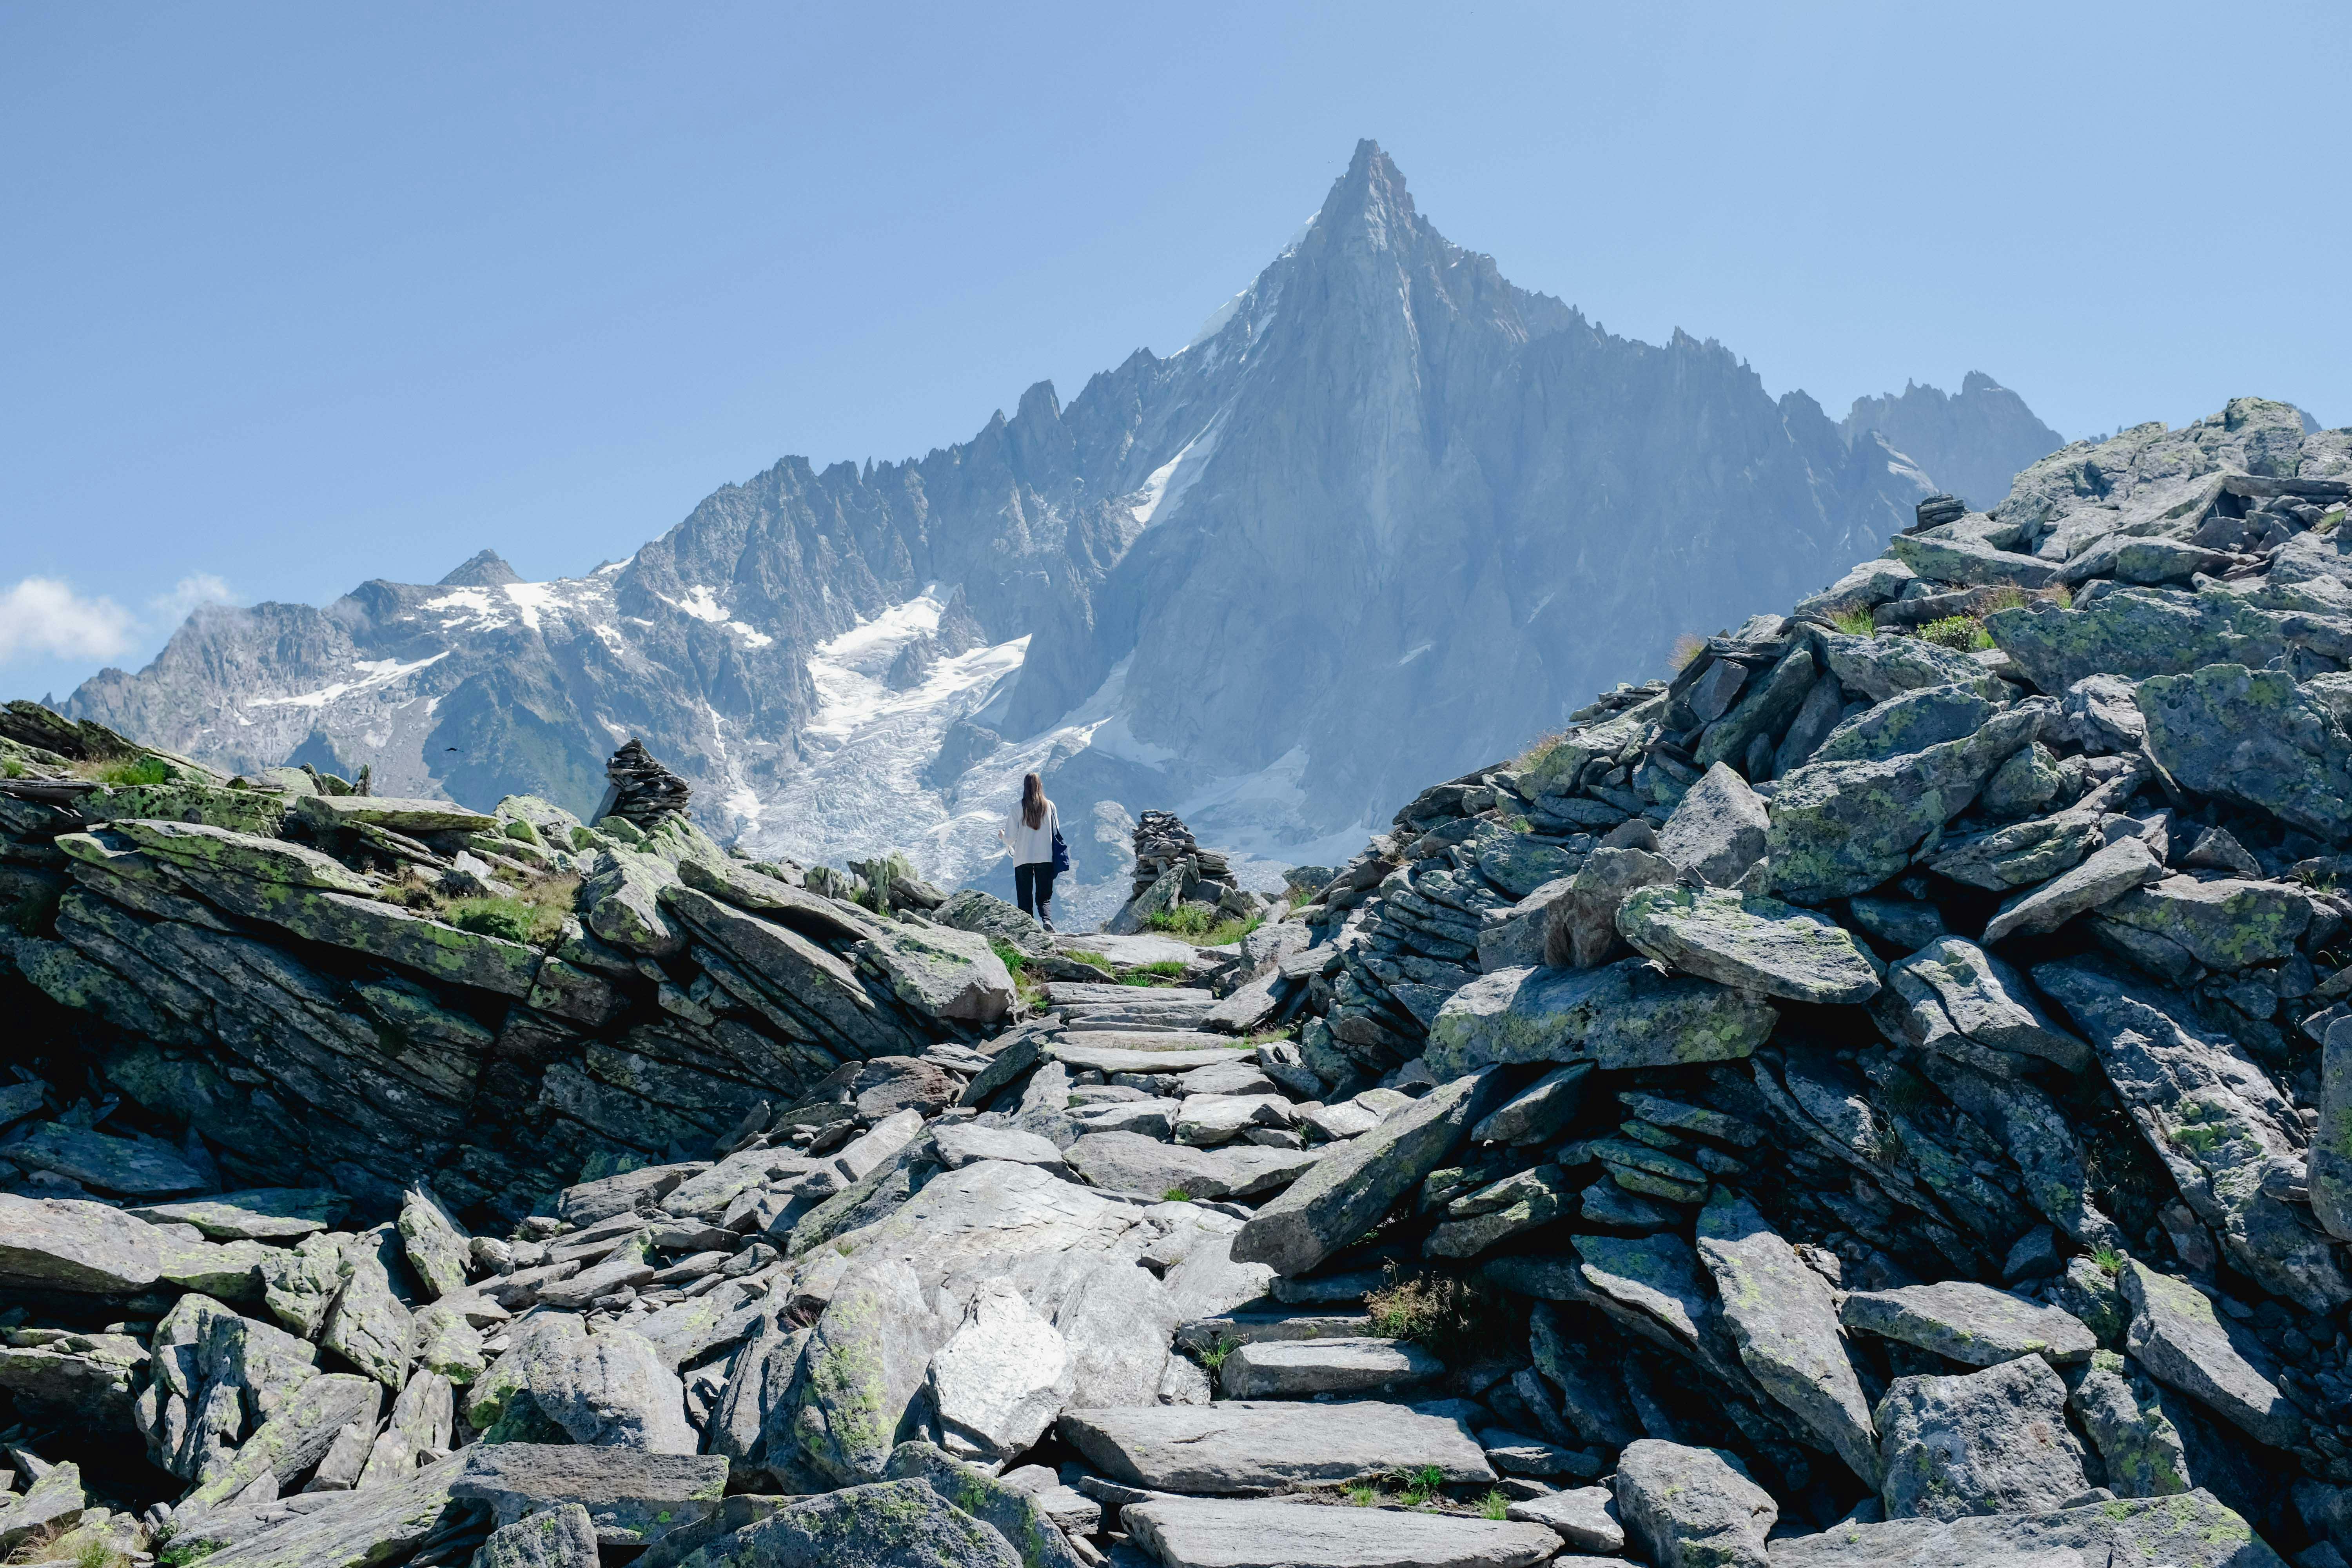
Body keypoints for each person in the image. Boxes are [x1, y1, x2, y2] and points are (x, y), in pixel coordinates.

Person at [1000, 772, 1060, 930]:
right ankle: (1047, 921)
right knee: (1044, 897)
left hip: (1023, 858)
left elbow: (1010, 838)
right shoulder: (1050, 806)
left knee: (1024, 896)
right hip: (1045, 857)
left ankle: (1028, 929)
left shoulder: (1018, 807)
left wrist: (1002, 836)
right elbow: (1056, 833)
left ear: (1025, 787)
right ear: (1040, 785)